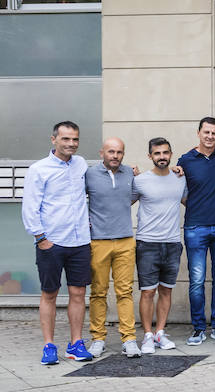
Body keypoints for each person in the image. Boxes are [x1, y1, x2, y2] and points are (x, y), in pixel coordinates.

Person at [24, 121, 95, 364]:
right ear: (54, 139)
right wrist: (41, 239)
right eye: (66, 139)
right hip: (51, 243)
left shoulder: (81, 164)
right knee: (49, 294)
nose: (71, 144)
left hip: (80, 243)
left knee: (78, 293)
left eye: (75, 139)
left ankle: (76, 344)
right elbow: (30, 208)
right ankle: (49, 345)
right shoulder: (38, 169)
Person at [178, 117, 215, 345]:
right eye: (206, 132)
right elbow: (180, 191)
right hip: (195, 227)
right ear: (199, 133)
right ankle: (198, 328)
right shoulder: (186, 160)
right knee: (197, 280)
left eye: (214, 133)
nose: (210, 137)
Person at [84, 137, 138, 357]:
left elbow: (133, 196)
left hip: (125, 240)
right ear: (101, 153)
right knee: (98, 292)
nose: (115, 156)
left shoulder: (130, 174)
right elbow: (76, 199)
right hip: (98, 241)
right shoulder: (88, 175)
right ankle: (98, 338)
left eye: (119, 152)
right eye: (111, 152)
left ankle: (129, 338)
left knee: (125, 291)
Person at [133, 137, 184, 354]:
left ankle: (160, 333)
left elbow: (190, 201)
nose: (162, 157)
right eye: (157, 153)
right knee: (147, 292)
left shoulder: (180, 178)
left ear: (171, 154)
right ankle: (146, 336)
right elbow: (123, 201)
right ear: (150, 156)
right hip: (147, 243)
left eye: (165, 153)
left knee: (166, 290)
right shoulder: (140, 180)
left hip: (172, 242)